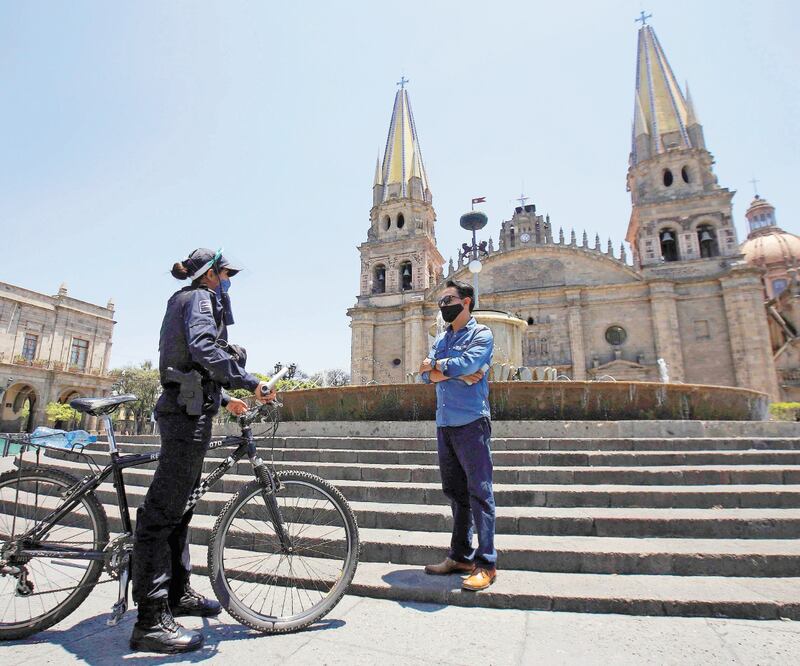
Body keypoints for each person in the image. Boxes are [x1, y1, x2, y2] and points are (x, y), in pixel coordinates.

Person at [130, 248, 276, 654]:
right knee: (162, 514)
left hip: (190, 405)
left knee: (180, 509)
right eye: (226, 274)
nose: (229, 281)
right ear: (211, 274)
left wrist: (225, 397)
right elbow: (204, 348)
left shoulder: (183, 298)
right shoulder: (200, 299)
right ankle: (150, 618)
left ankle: (177, 593)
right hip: (184, 414)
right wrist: (250, 382)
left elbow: (190, 361)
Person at [420, 279, 497, 591]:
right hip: (445, 423)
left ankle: (487, 563)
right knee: (455, 492)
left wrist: (440, 368)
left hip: (472, 422)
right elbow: (425, 375)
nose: (443, 305)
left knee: (480, 493)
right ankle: (461, 556)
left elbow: (471, 363)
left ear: (466, 301)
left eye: (448, 299)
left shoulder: (482, 333)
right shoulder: (441, 338)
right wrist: (448, 371)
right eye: (441, 300)